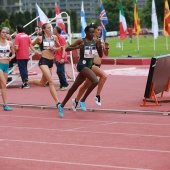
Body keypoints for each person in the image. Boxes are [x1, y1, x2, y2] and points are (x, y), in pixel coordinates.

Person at [58, 25, 103, 118]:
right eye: (91, 32)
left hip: (89, 67)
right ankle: (82, 100)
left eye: (93, 32)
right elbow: (67, 48)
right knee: (95, 81)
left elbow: (101, 55)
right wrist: (78, 46)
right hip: (82, 65)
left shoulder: (95, 41)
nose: (93, 34)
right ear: (86, 32)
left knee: (74, 87)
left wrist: (99, 47)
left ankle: (61, 105)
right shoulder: (81, 41)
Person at [21, 23, 61, 107]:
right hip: (43, 61)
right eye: (48, 28)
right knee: (51, 81)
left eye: (50, 28)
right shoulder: (40, 38)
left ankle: (27, 81)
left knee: (42, 83)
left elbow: (60, 47)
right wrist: (35, 51)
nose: (50, 29)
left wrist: (54, 48)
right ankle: (58, 102)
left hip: (50, 62)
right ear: (44, 29)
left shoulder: (54, 37)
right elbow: (30, 44)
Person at [72, 23, 109, 111]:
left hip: (97, 65)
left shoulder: (101, 40)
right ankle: (97, 96)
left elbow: (105, 55)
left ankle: (76, 101)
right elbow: (79, 46)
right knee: (104, 76)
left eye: (100, 30)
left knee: (85, 85)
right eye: (98, 30)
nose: (99, 32)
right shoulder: (90, 40)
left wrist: (106, 47)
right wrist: (79, 55)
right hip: (91, 65)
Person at [0, 27, 15, 111]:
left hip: (6, 66)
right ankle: (5, 104)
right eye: (3, 32)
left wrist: (11, 58)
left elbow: (14, 54)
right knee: (4, 83)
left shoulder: (9, 43)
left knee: (2, 86)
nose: (5, 34)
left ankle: (5, 105)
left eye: (6, 33)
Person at [53, 26, 69, 91]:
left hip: (61, 57)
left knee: (59, 71)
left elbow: (63, 48)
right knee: (60, 72)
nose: (53, 31)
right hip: (57, 57)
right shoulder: (56, 38)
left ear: (57, 31)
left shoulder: (61, 38)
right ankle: (62, 85)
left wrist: (62, 58)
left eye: (54, 30)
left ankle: (65, 84)